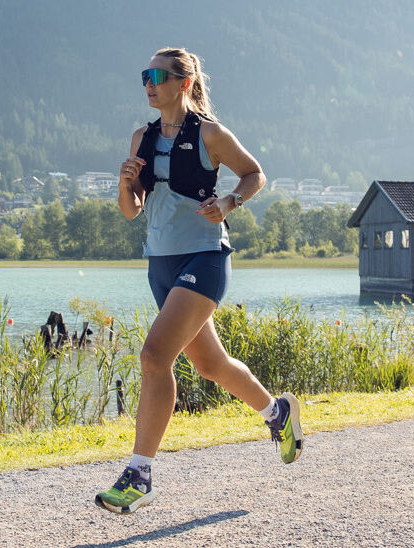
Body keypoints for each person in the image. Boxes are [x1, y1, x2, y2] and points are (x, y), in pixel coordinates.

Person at [94, 47, 304, 514]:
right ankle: (278, 412)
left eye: (158, 75)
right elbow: (132, 213)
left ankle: (140, 473)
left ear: (183, 83)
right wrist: (126, 184)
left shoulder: (209, 133)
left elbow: (255, 174)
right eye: (144, 75)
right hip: (160, 265)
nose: (149, 83)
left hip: (205, 258)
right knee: (211, 364)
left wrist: (229, 204)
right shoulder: (141, 138)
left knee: (153, 356)